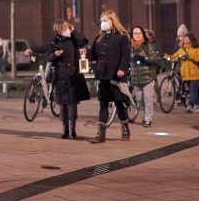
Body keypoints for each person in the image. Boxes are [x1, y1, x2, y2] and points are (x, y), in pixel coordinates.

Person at [88, 10, 131, 143]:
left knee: (119, 104)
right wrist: (86, 54)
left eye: (105, 20)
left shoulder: (122, 37)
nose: (103, 23)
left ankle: (124, 126)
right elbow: (93, 54)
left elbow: (125, 55)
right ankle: (101, 134)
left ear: (113, 21)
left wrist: (122, 69)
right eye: (102, 21)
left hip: (116, 76)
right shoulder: (99, 38)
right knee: (103, 104)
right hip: (103, 76)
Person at [47, 20, 90, 139]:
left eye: (68, 27)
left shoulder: (73, 40)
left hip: (73, 77)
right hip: (60, 78)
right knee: (63, 106)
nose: (67, 30)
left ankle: (73, 130)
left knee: (73, 105)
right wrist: (56, 55)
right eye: (65, 28)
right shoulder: (54, 41)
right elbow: (49, 57)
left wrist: (73, 31)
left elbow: (84, 41)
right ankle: (65, 130)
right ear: (59, 30)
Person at [129, 26, 160, 126]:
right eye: (135, 33)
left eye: (139, 33)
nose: (137, 35)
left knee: (147, 98)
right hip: (136, 77)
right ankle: (146, 114)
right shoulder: (130, 47)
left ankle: (148, 118)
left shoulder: (148, 46)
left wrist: (144, 58)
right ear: (132, 35)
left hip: (148, 76)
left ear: (143, 34)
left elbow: (155, 59)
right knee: (139, 99)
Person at [168, 33, 199, 113]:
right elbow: (174, 56)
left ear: (191, 39)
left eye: (187, 38)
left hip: (195, 74)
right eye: (185, 38)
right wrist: (166, 57)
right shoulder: (182, 49)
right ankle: (197, 104)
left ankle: (190, 106)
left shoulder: (196, 48)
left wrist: (189, 56)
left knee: (192, 91)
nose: (185, 40)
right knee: (193, 91)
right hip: (185, 75)